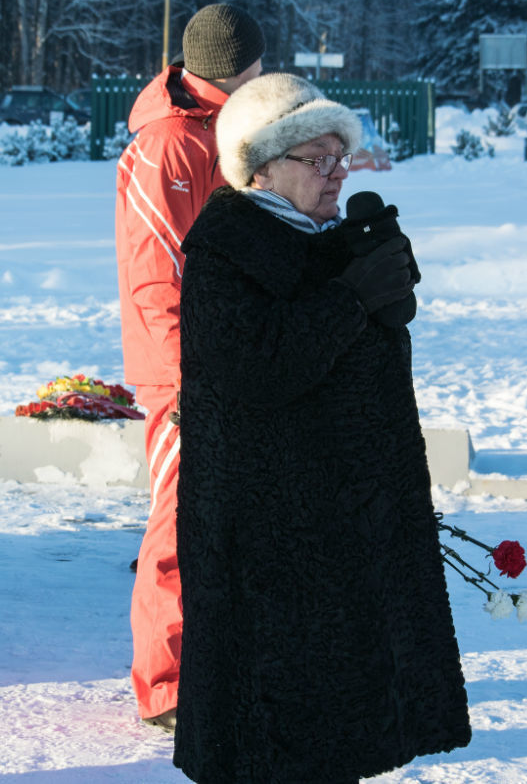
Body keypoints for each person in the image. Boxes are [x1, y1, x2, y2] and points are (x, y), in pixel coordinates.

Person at [173, 72, 472, 783]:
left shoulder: (323, 238)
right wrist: (350, 299)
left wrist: (385, 288)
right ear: (262, 168)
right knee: (277, 736)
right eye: (318, 159)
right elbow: (259, 368)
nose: (338, 173)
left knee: (342, 724)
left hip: (340, 524)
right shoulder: (225, 250)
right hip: (269, 542)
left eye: (341, 156)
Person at [113, 3, 264, 732]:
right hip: (186, 371)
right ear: (240, 68)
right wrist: (189, 377)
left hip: (225, 359)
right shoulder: (173, 142)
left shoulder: (222, 130)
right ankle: (167, 685)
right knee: (180, 522)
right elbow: (156, 275)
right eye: (258, 66)